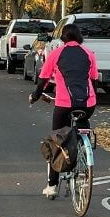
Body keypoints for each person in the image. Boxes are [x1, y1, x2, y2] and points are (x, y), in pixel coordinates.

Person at [28, 23, 99, 198]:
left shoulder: (57, 53)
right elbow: (94, 80)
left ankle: (52, 185)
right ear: (80, 37)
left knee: (57, 140)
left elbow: (43, 79)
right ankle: (83, 156)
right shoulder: (89, 54)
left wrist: (35, 96)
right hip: (88, 104)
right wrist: (91, 98)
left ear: (63, 38)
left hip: (64, 104)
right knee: (82, 128)